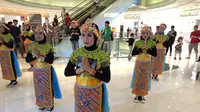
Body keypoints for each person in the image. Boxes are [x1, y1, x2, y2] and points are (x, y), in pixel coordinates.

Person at [64, 19, 111, 112]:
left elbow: (107, 78)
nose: (85, 39)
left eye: (89, 35)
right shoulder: (77, 53)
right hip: (80, 90)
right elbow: (67, 72)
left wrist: (90, 70)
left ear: (96, 37)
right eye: (83, 35)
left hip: (96, 91)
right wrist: (82, 69)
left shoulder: (102, 55)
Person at [25, 24, 62, 111]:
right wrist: (34, 56)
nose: (38, 35)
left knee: (49, 87)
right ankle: (42, 104)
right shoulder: (32, 46)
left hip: (47, 71)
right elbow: (27, 59)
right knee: (39, 88)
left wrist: (39, 56)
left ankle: (50, 104)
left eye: (40, 33)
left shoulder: (48, 46)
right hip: (37, 71)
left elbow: (50, 60)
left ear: (44, 35)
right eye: (36, 33)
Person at [130, 26, 157, 103]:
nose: (145, 35)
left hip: (147, 63)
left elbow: (155, 54)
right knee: (138, 78)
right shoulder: (138, 42)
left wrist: (147, 50)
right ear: (141, 34)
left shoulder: (152, 43)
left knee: (144, 79)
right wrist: (141, 50)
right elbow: (133, 53)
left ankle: (142, 95)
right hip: (139, 62)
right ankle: (137, 95)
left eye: (147, 33)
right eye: (143, 33)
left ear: (149, 34)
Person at [0, 23, 21, 87]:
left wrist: (3, 42)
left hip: (9, 54)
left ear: (5, 28)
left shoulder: (9, 35)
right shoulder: (0, 35)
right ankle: (11, 80)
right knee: (6, 68)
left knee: (11, 67)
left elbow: (11, 46)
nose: (0, 29)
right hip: (3, 55)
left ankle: (14, 80)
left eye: (1, 27)